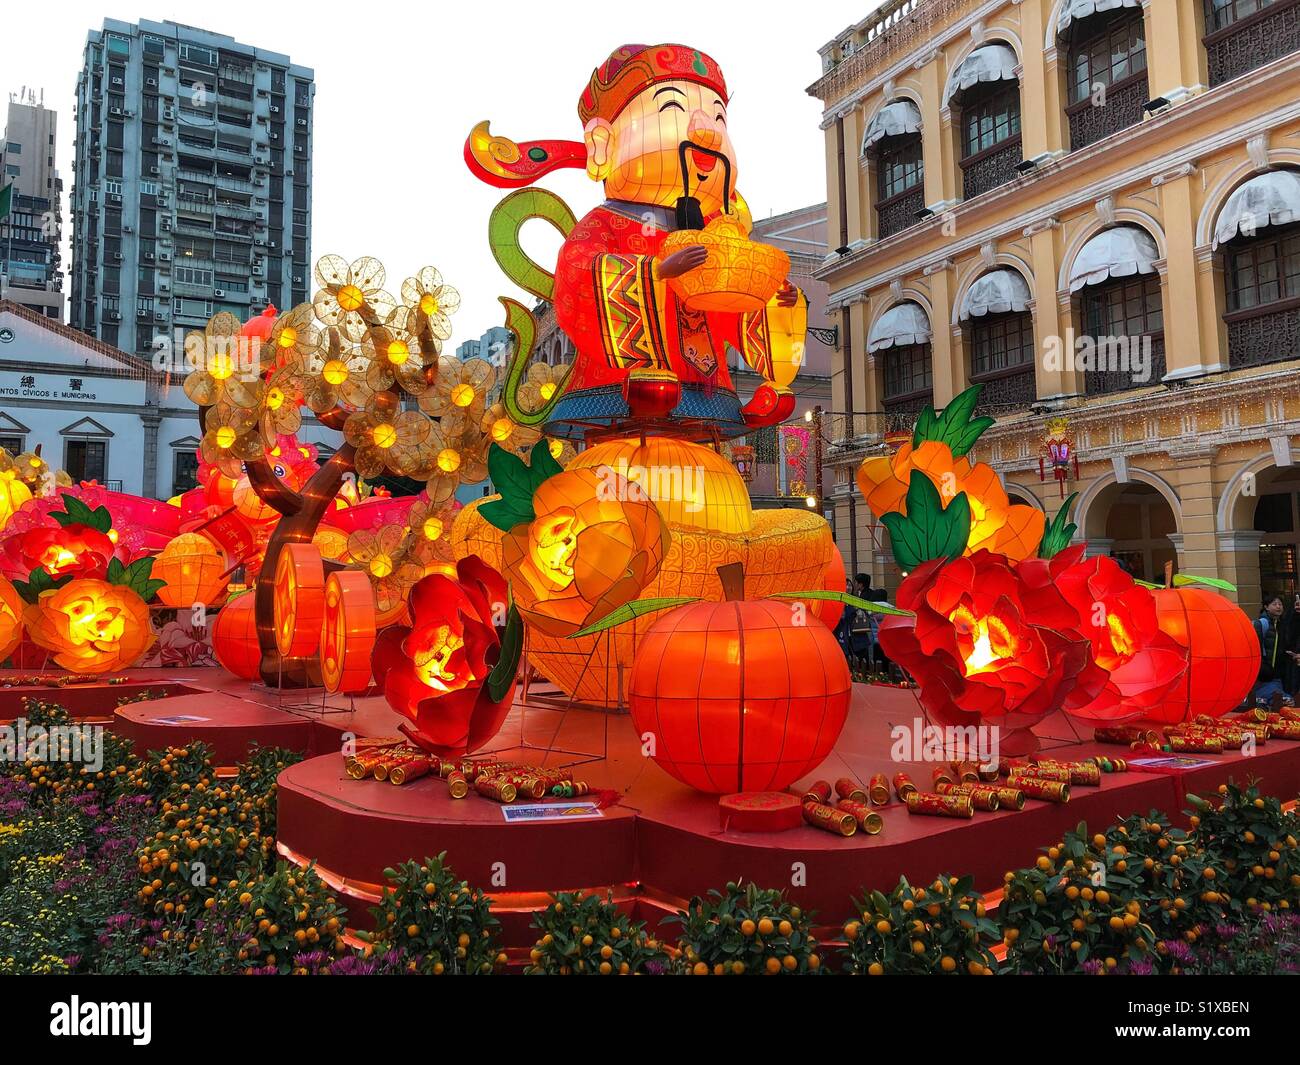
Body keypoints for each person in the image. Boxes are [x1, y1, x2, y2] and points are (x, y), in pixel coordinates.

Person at [1253, 595, 1295, 708]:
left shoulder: (1282, 624)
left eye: (1280, 604)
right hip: (1264, 674)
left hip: (1278, 673)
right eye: (1274, 604)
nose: (1278, 607)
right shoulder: (1261, 624)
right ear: (1266, 607)